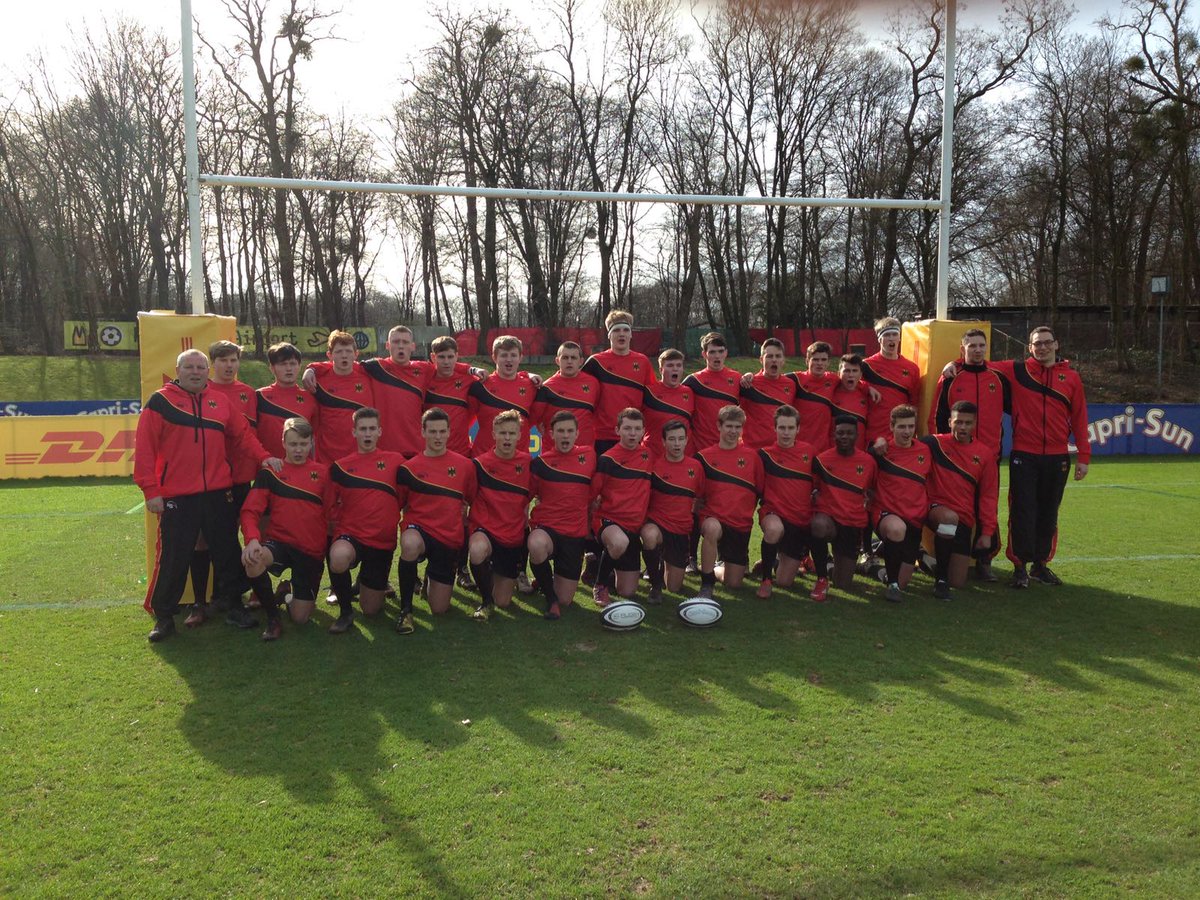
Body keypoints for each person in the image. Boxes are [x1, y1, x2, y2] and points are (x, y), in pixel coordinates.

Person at [136, 349, 281, 642]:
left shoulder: (219, 401)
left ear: (206, 371)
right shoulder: (160, 402)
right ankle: (164, 616)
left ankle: (233, 605)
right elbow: (145, 449)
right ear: (178, 370)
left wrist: (264, 458)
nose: (196, 371)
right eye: (189, 367)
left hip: (218, 491)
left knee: (227, 551)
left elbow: (243, 437)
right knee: (175, 556)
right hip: (178, 495)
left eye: (200, 367)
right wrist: (151, 490)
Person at [988, 326, 1091, 587]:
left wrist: (1084, 457)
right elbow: (979, 362)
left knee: (1049, 513)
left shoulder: (1072, 378)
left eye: (1047, 343)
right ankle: (1019, 566)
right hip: (1025, 454)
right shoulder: (1018, 370)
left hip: (1058, 457)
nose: (1042, 348)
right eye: (1037, 344)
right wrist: (954, 365)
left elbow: (1079, 419)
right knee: (1022, 511)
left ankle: (1040, 565)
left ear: (1056, 345)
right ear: (1030, 347)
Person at [239, 417, 334, 640]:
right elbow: (249, 511)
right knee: (253, 559)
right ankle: (273, 618)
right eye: (293, 444)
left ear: (311, 443)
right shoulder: (271, 472)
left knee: (301, 618)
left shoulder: (323, 474)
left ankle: (286, 594)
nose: (298, 449)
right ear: (283, 442)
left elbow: (332, 514)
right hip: (279, 544)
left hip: (310, 551)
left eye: (303, 444)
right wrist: (252, 539)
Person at [188, 339, 261, 620]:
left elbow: (249, 436)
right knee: (206, 539)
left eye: (234, 360)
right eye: (223, 361)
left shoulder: (247, 393)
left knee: (239, 538)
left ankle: (239, 593)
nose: (229, 366)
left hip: (242, 478)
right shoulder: (201, 392)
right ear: (212, 364)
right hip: (211, 481)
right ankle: (205, 600)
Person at [930, 328, 1007, 581]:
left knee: (988, 506)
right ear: (962, 349)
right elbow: (937, 417)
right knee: (958, 511)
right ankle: (949, 559)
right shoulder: (951, 377)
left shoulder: (998, 377)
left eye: (981, 345)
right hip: (957, 459)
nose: (977, 350)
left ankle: (985, 559)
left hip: (989, 456)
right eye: (971, 345)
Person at [395, 408, 477, 632]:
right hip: (419, 530)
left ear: (450, 432)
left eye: (442, 431)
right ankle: (406, 612)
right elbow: (399, 503)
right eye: (432, 431)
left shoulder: (464, 466)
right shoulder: (408, 469)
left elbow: (471, 499)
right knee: (410, 544)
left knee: (439, 609)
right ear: (423, 432)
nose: (438, 437)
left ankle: (430, 580)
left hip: (448, 538)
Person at [326, 407, 407, 633]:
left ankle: (363, 582)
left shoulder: (395, 461)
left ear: (380, 431)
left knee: (371, 610)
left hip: (382, 541)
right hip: (351, 535)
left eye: (372, 429)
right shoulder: (341, 467)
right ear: (354, 432)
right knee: (338, 557)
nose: (367, 434)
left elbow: (403, 496)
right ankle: (345, 613)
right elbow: (330, 505)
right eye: (363, 429)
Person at [921, 401, 998, 600]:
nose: (962, 427)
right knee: (948, 518)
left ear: (975, 424)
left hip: (963, 519)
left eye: (967, 423)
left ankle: (923, 558)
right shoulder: (933, 443)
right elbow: (904, 447)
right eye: (958, 422)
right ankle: (940, 581)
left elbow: (989, 496)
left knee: (958, 581)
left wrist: (987, 532)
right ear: (949, 422)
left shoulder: (985, 454)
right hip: (935, 510)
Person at [528, 411, 597, 620]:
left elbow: (599, 489)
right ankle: (551, 600)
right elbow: (526, 496)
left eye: (569, 431)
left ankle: (544, 582)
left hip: (574, 534)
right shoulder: (541, 463)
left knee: (566, 599)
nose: (565, 436)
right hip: (547, 528)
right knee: (537, 545)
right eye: (560, 431)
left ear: (577, 434)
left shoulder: (590, 456)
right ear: (551, 434)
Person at [467, 411, 533, 621]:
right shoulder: (479, 464)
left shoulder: (528, 463)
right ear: (493, 434)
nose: (507, 438)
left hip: (511, 536)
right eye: (502, 433)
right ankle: (485, 602)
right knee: (477, 550)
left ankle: (494, 576)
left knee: (503, 601)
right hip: (484, 529)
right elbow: (468, 498)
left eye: (511, 433)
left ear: (519, 436)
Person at [696, 405, 764, 598]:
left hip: (740, 525)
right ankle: (707, 582)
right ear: (719, 426)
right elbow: (696, 493)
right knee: (711, 528)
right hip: (714, 519)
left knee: (733, 583)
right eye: (729, 426)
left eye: (738, 427)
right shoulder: (704, 457)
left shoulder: (752, 457)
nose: (733, 431)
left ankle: (715, 568)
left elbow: (759, 490)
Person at [589, 408, 654, 606]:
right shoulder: (607, 459)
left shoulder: (648, 456)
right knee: (618, 543)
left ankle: (598, 564)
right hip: (609, 522)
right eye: (627, 428)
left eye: (636, 429)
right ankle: (599, 584)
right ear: (617, 430)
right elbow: (592, 495)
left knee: (627, 592)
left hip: (633, 527)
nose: (632, 433)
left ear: (644, 432)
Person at [868, 404, 932, 603]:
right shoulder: (881, 451)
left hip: (914, 517)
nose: (906, 431)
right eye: (901, 427)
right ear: (891, 426)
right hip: (887, 514)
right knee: (897, 530)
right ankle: (892, 586)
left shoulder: (925, 450)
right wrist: (875, 441)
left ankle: (872, 567)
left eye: (910, 427)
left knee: (905, 581)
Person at [809, 416, 877, 601]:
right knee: (818, 525)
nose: (844, 436)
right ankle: (822, 577)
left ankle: (835, 568)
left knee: (843, 584)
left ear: (857, 435)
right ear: (834, 434)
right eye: (840, 433)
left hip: (852, 523)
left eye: (849, 433)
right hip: (829, 519)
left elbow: (873, 491)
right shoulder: (822, 460)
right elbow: (811, 487)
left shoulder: (868, 462)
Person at [755, 405, 816, 599]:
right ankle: (765, 580)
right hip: (773, 514)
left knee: (785, 582)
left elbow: (820, 484)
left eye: (790, 428)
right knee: (774, 529)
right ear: (775, 428)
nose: (786, 432)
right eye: (782, 428)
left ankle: (771, 562)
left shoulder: (810, 453)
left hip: (799, 521)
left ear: (798, 429)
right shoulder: (765, 455)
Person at [641, 419, 704, 603]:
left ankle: (663, 563)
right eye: (671, 439)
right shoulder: (654, 466)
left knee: (674, 588)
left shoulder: (695, 467)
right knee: (649, 534)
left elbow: (700, 499)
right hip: (658, 524)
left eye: (680, 439)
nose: (676, 444)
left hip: (680, 530)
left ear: (686, 441)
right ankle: (655, 584)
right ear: (663, 442)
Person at [582, 309, 655, 455]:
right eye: (616, 330)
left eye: (625, 330)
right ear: (609, 335)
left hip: (632, 435)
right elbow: (573, 381)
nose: (621, 334)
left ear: (631, 334)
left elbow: (652, 397)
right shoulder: (596, 362)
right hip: (602, 435)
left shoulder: (643, 362)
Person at [303, 330, 374, 463]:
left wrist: (311, 368)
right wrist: (311, 369)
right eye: (339, 352)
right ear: (329, 355)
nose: (344, 355)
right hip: (327, 455)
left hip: (360, 453)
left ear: (356, 354)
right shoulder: (318, 379)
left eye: (348, 351)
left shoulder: (367, 375)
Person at [468, 334, 537, 457]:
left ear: (521, 357)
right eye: (504, 355)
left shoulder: (532, 386)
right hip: (484, 459)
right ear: (494, 357)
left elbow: (536, 421)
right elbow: (464, 423)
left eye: (513, 355)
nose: (509, 360)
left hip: (519, 460)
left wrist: (527, 375)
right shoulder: (480, 386)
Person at [860, 318, 922, 445]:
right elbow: (848, 386)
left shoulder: (912, 368)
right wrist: (866, 387)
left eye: (895, 334)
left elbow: (914, 403)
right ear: (880, 339)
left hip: (900, 432)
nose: (891, 338)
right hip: (873, 431)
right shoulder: (866, 365)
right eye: (887, 335)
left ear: (900, 338)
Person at [256, 341, 319, 460]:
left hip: (301, 469)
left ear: (299, 366)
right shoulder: (260, 397)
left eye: (293, 363)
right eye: (283, 364)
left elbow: (315, 437)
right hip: (269, 468)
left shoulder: (311, 398)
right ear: (272, 368)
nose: (289, 368)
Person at [532, 341, 599, 449]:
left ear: (581, 361)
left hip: (584, 452)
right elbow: (533, 419)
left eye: (573, 358)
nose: (569, 361)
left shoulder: (593, 383)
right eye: (565, 357)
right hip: (553, 452)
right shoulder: (546, 388)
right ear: (557, 360)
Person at [682, 332, 741, 453]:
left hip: (729, 447)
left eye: (720, 351)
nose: (717, 356)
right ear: (704, 354)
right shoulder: (693, 381)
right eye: (712, 352)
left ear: (726, 353)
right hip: (701, 449)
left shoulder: (737, 379)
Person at [423, 335, 477, 457]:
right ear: (433, 357)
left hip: (461, 452)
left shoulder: (469, 380)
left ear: (456, 356)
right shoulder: (424, 379)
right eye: (441, 357)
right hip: (430, 452)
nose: (446, 362)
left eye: (450, 357)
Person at [738, 338, 797, 450]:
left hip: (780, 449)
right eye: (769, 356)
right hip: (753, 450)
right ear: (761, 359)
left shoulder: (791, 385)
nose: (774, 360)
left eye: (778, 356)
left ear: (783, 360)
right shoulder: (748, 383)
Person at [641, 348, 694, 459]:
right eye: (670, 366)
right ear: (661, 370)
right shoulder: (648, 392)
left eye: (678, 365)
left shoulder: (690, 392)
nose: (675, 369)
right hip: (654, 456)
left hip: (683, 458)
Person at [787, 341, 838, 452]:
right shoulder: (795, 379)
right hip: (797, 445)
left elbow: (853, 381)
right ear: (807, 361)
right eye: (815, 359)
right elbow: (771, 379)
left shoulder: (834, 380)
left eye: (823, 360)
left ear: (828, 362)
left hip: (822, 447)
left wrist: (868, 388)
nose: (819, 363)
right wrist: (750, 376)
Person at [829, 354, 870, 451]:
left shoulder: (868, 395)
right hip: (832, 452)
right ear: (839, 373)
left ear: (860, 375)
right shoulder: (830, 392)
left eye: (854, 371)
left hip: (858, 453)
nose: (851, 374)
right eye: (847, 371)